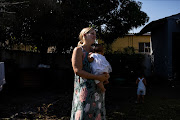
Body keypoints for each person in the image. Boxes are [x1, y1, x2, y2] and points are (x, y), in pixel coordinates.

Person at [71, 27, 110, 120]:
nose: (94, 36)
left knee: (96, 115)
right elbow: (77, 70)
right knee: (83, 115)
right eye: (92, 34)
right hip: (84, 92)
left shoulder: (95, 51)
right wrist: (97, 77)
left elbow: (101, 66)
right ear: (84, 35)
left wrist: (105, 75)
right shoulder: (78, 50)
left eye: (95, 34)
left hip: (97, 91)